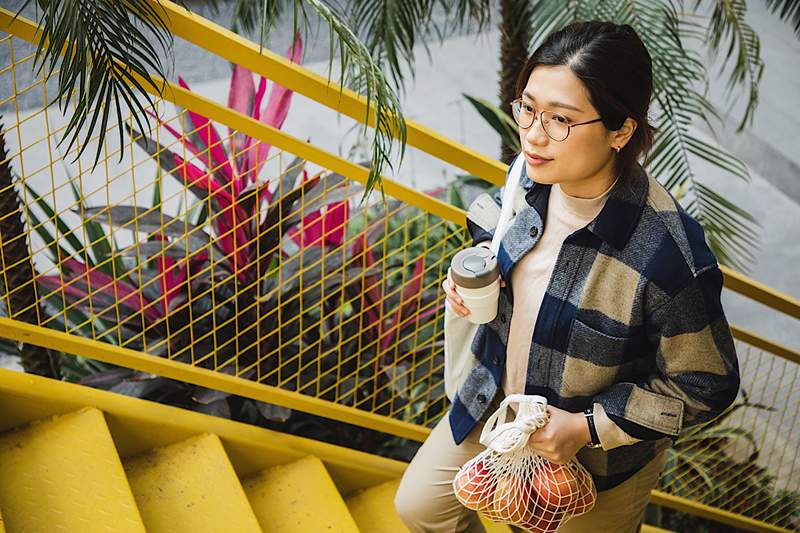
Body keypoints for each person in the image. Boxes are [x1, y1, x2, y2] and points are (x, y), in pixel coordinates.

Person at [394, 20, 740, 533]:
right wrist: (471, 289)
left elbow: (705, 384)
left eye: (560, 119)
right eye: (528, 108)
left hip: (591, 467)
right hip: (493, 413)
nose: (532, 136)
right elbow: (495, 254)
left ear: (620, 131)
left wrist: (586, 427)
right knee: (421, 509)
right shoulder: (523, 186)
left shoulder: (668, 256)